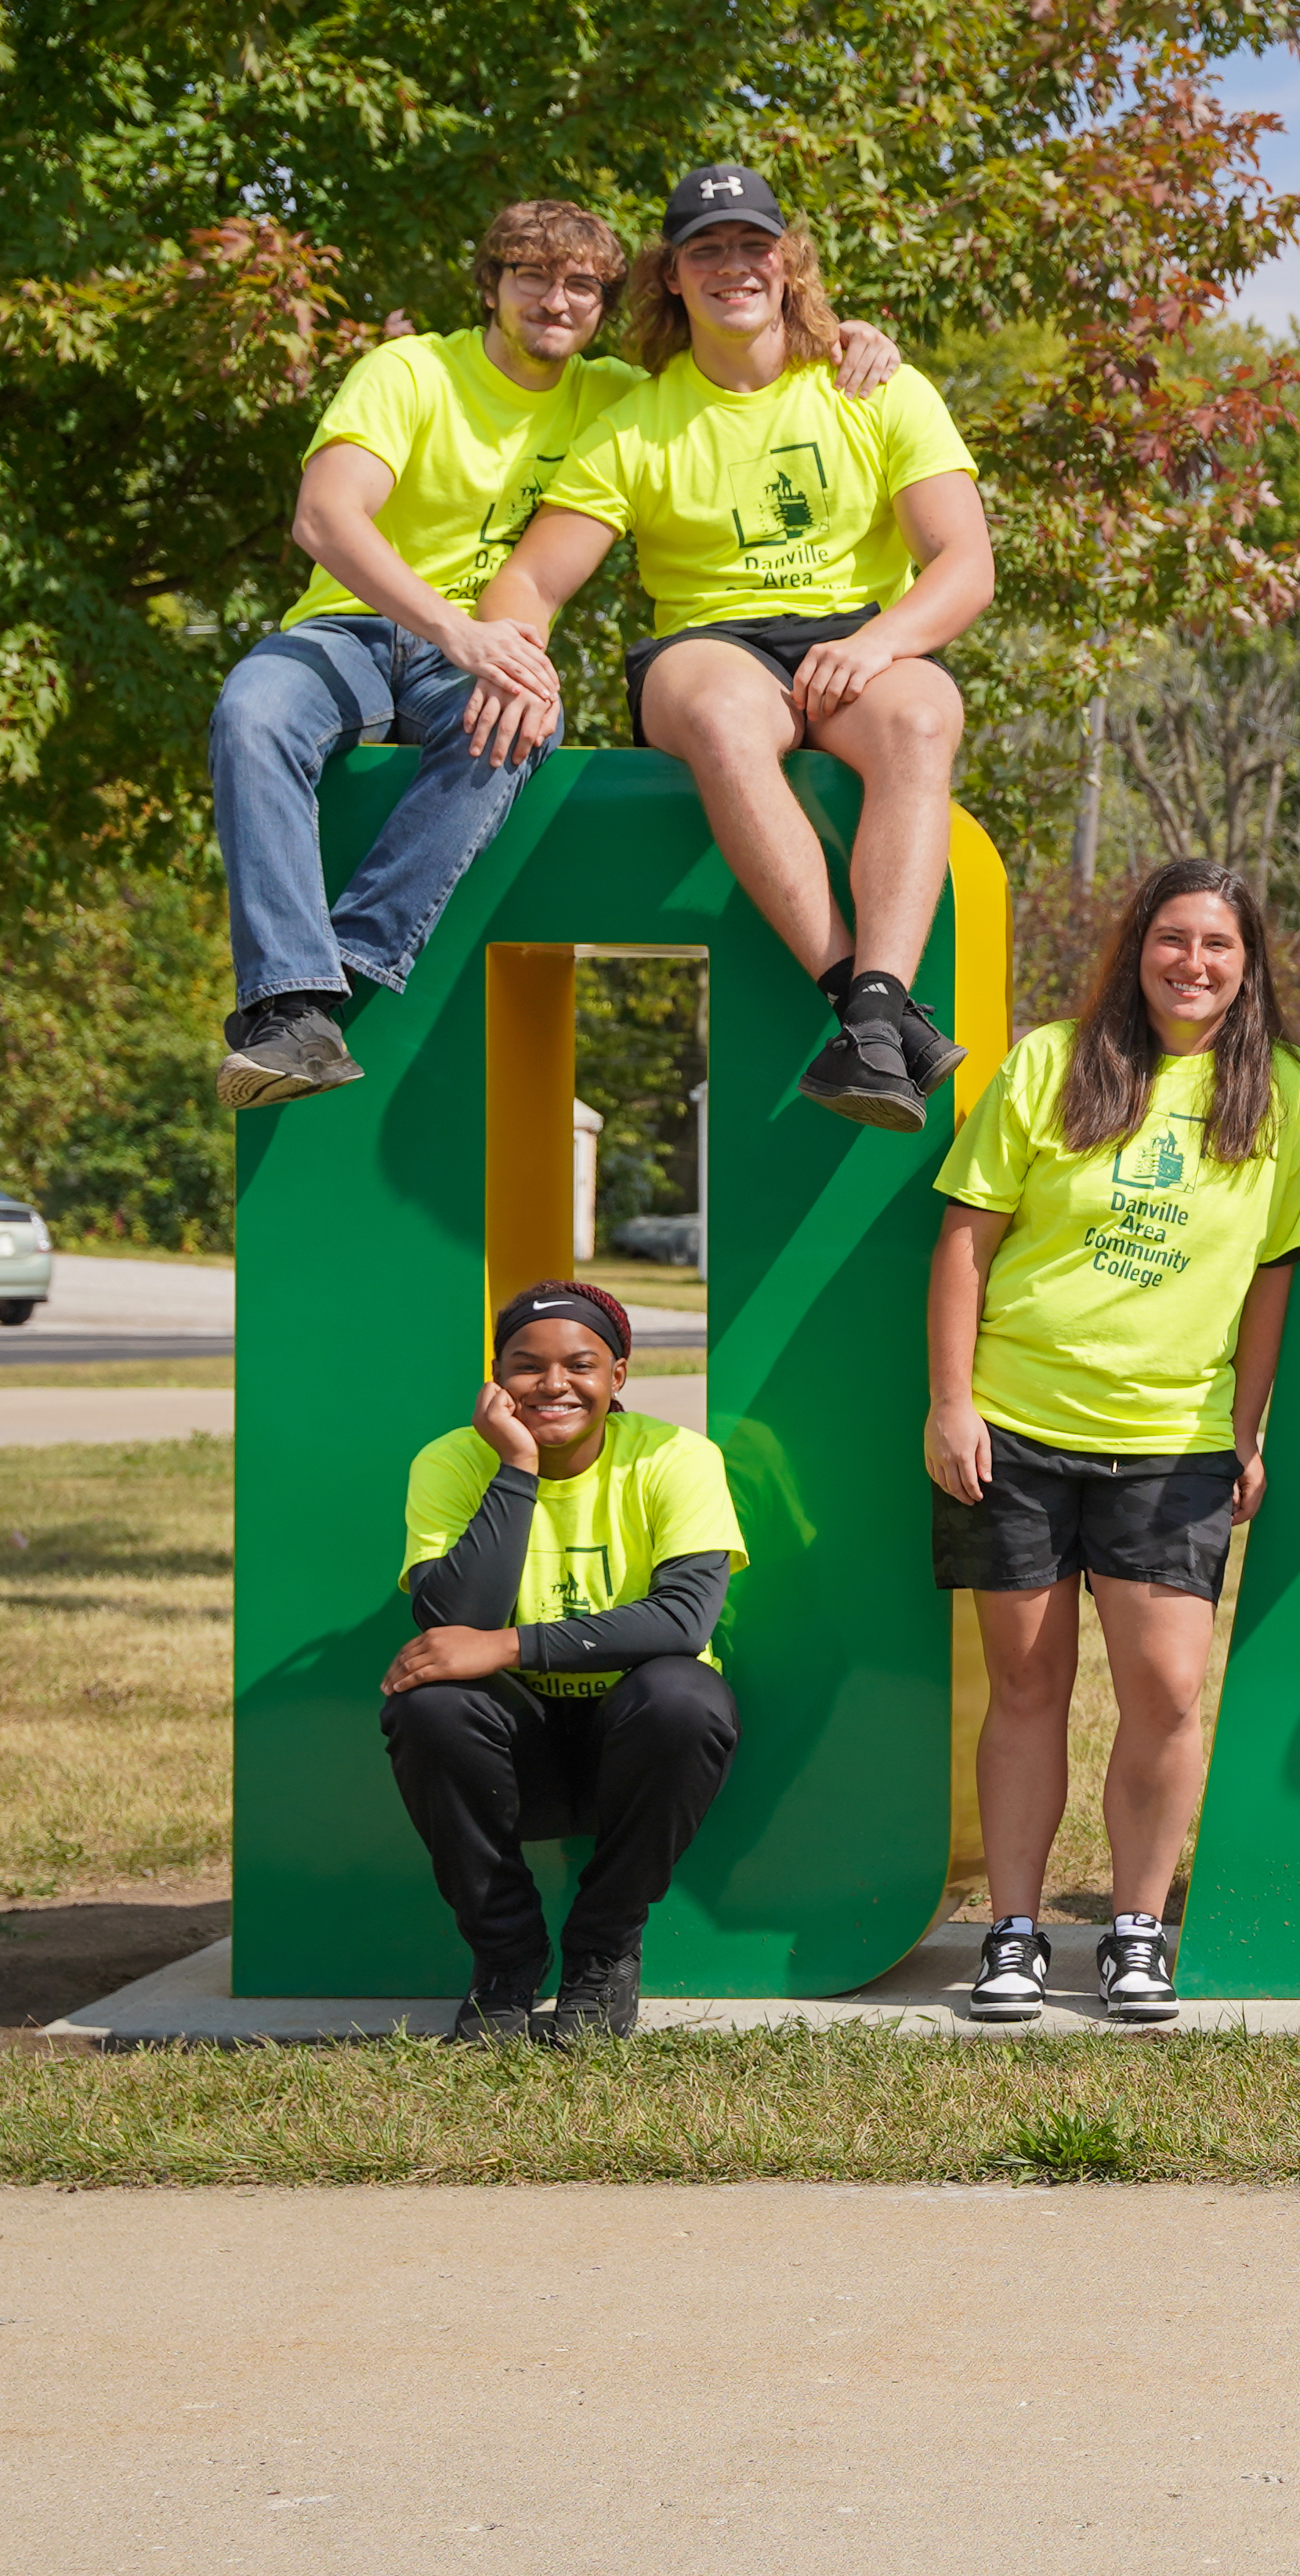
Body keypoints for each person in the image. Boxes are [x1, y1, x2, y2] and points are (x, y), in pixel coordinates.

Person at [209, 197, 902, 1107]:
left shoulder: (618, 396)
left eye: (581, 284)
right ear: (490, 285)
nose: (556, 299)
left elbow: (740, 358)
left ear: (607, 303)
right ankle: (286, 1004)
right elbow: (324, 517)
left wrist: (847, 333)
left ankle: (347, 966)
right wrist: (456, 627)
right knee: (251, 712)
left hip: (481, 660)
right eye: (530, 275)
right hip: (351, 629)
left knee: (520, 723)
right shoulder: (409, 371)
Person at [481, 161, 994, 1132]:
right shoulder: (633, 419)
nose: (733, 267)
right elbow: (533, 581)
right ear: (671, 276)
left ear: (787, 263)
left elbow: (964, 563)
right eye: (705, 250)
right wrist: (514, 654)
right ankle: (867, 1011)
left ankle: (877, 1013)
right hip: (708, 646)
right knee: (722, 713)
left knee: (928, 714)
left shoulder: (876, 385)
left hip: (853, 638)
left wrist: (881, 642)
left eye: (752, 246)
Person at [925, 857, 1300, 2026]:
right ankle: (1016, 1931)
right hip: (1020, 1433)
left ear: (1249, 968)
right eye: (1171, 939)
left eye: (1218, 946)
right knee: (1029, 1687)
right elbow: (966, 1241)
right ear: (1135, 949)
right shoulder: (1052, 1064)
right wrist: (954, 1402)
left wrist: (1246, 1430)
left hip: (1173, 1441)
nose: (1191, 963)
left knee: (1165, 1689)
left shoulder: (1289, 1096)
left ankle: (1136, 1930)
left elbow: (1273, 1280)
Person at [381, 1281, 744, 2043]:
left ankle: (602, 1953)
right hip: (517, 1757)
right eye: (526, 1365)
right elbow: (454, 1623)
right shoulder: (451, 1462)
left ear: (617, 1376)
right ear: (496, 1378)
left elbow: (684, 1618)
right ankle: (505, 1961)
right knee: (430, 1703)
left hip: (641, 1749)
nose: (552, 1384)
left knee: (686, 1695)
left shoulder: (677, 1458)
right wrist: (515, 1467)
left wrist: (510, 1644)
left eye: (580, 1364)